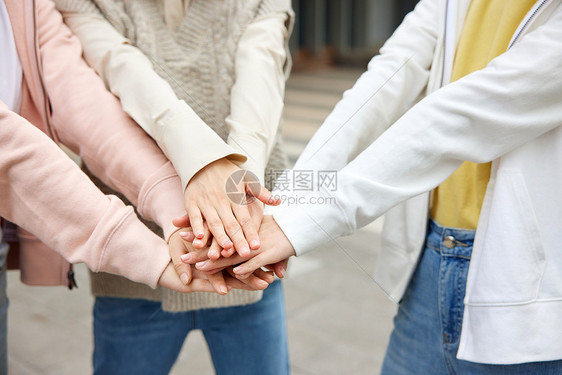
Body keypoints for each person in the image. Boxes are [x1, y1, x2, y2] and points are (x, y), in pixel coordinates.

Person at [192, 0, 562, 373]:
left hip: (525, 279)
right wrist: (285, 207)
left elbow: (466, 114)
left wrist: (302, 220)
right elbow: (387, 77)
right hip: (429, 259)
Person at [0, 0, 270, 373]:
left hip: (241, 245)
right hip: (139, 269)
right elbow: (120, 69)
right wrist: (204, 170)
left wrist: (237, 190)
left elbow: (262, 74)